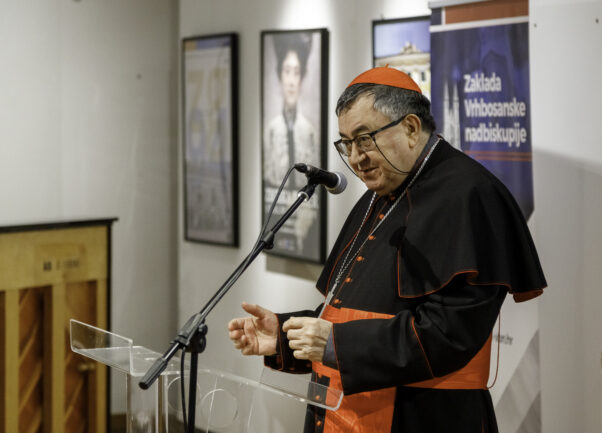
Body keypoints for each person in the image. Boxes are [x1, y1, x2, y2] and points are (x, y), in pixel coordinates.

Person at [229, 66, 546, 433]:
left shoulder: (470, 195)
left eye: (364, 139)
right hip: (344, 410)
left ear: (410, 128)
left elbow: (449, 335)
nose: (355, 158)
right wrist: (283, 336)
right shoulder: (380, 196)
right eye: (346, 143)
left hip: (425, 418)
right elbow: (350, 311)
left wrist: (336, 344)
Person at [263, 33, 319, 257]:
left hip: (305, 228)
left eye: (296, 72)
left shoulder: (310, 132)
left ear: (303, 77)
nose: (291, 81)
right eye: (287, 71)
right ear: (279, 76)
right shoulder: (270, 130)